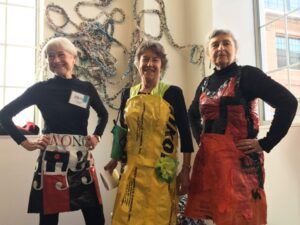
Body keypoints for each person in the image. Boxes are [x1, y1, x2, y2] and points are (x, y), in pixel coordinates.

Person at [184, 29, 298, 225]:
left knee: (244, 218)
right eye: (215, 44)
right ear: (208, 53)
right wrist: (201, 140)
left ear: (235, 50)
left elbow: (288, 102)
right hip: (211, 166)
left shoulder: (248, 75)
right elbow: (192, 114)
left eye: (226, 43)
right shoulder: (205, 83)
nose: (220, 48)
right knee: (220, 217)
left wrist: (266, 142)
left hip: (240, 168)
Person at [0, 37, 108, 225]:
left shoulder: (86, 88)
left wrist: (97, 135)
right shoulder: (41, 89)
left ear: (74, 57)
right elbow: (4, 114)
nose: (55, 60)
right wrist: (26, 143)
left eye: (60, 54)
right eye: (50, 56)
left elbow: (104, 115)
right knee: (49, 220)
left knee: (96, 219)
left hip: (81, 161)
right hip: (52, 163)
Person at [104, 40, 194, 225]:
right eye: (145, 59)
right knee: (128, 218)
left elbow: (185, 134)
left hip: (161, 172)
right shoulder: (128, 93)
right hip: (132, 171)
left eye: (155, 59)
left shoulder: (173, 93)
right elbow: (122, 129)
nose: (150, 64)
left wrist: (185, 172)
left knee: (158, 218)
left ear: (162, 65)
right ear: (138, 63)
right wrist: (114, 159)